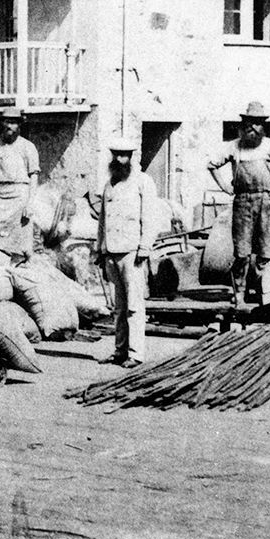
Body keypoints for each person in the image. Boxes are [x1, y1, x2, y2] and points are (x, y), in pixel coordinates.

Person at [207, 101, 270, 307]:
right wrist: (224, 187)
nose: (252, 127)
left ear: (263, 126)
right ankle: (240, 294)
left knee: (266, 251)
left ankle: (262, 292)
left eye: (257, 123)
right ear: (243, 124)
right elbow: (212, 165)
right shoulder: (234, 147)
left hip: (267, 203)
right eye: (249, 123)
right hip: (243, 202)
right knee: (242, 253)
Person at [95, 135, 163, 366]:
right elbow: (102, 221)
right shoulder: (109, 185)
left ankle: (135, 354)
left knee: (134, 306)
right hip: (111, 251)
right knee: (119, 307)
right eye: (116, 154)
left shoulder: (143, 182)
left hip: (132, 252)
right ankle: (119, 350)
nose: (119, 159)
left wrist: (145, 246)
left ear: (131, 157)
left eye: (124, 155)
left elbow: (150, 217)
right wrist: (100, 249)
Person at [0, 110, 39, 256]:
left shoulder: (28, 146)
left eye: (13, 122)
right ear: (2, 123)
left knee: (22, 226)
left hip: (19, 194)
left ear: (19, 125)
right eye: (6, 122)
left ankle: (20, 258)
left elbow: (34, 176)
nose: (9, 126)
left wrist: (30, 203)